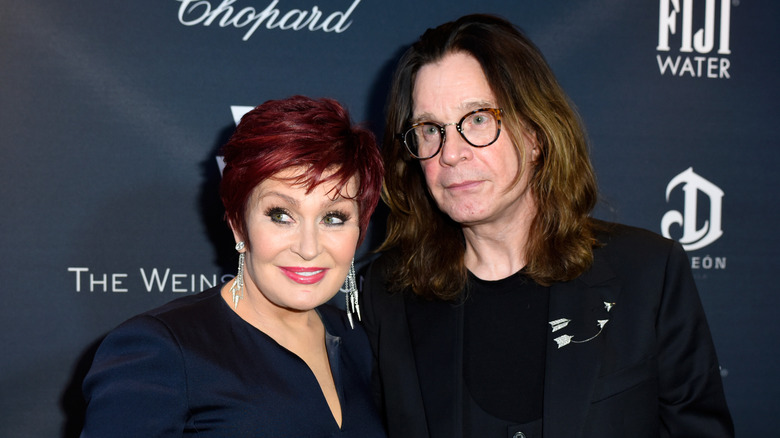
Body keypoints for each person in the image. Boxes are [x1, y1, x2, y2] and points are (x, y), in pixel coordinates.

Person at [360, 14, 734, 438]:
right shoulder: (384, 295)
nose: (451, 153)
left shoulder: (648, 273)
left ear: (535, 133)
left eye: (478, 119)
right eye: (430, 129)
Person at [81, 96, 386, 437]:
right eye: (281, 215)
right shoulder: (162, 352)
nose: (308, 247)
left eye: (333, 217)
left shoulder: (356, 341)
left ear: (359, 228)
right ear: (239, 225)